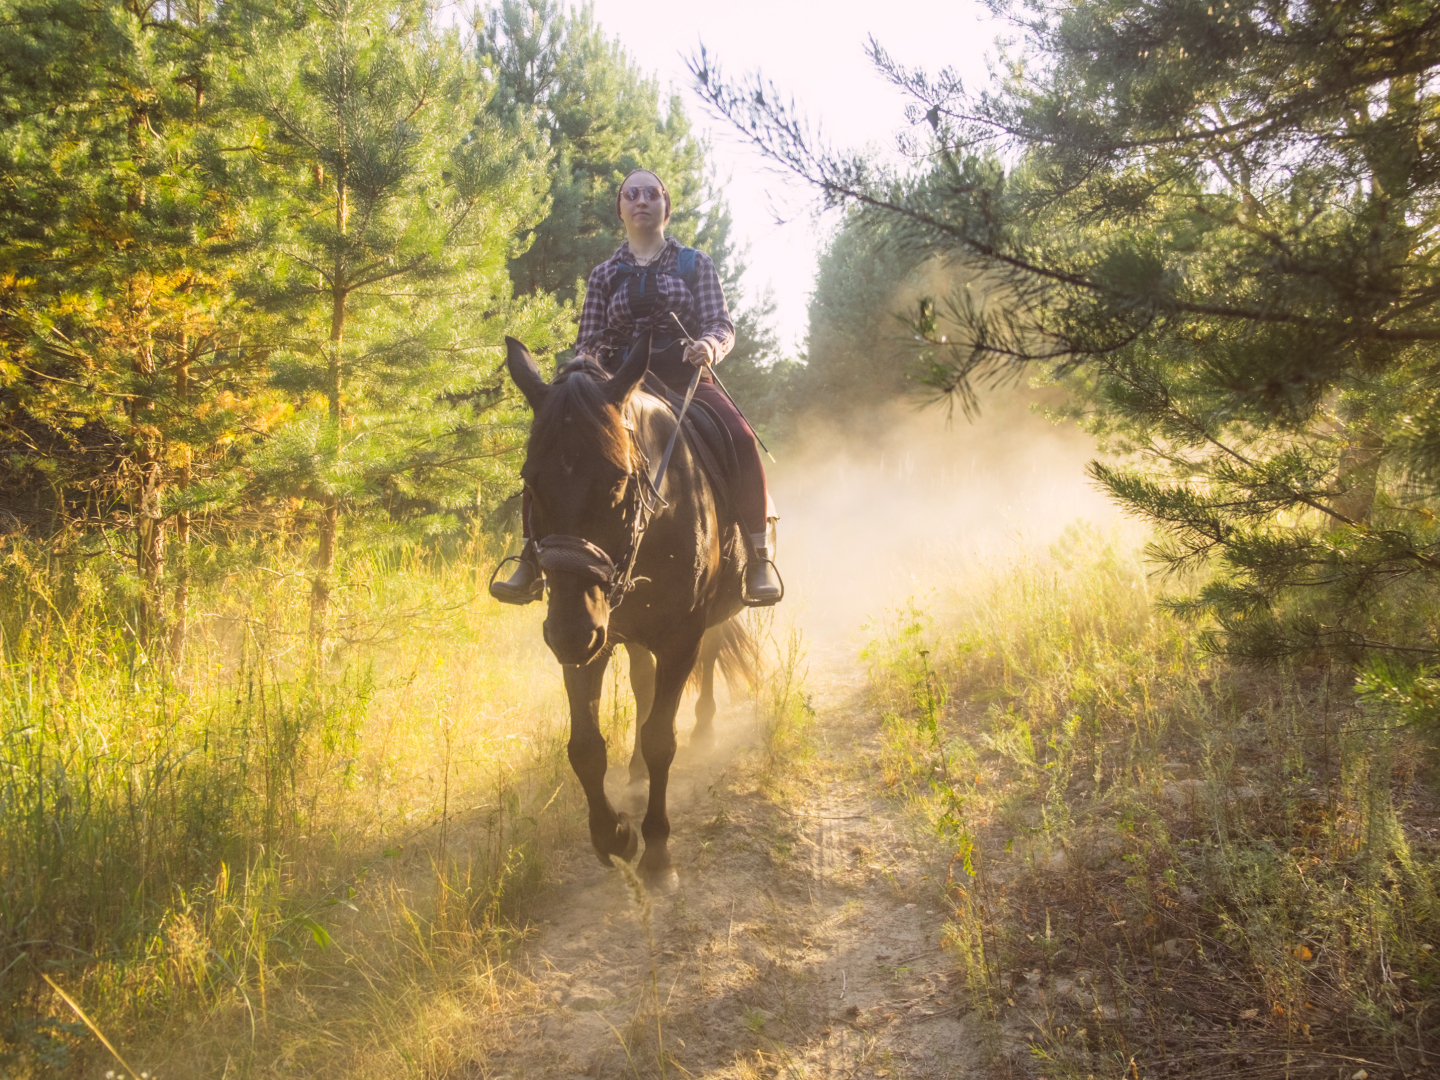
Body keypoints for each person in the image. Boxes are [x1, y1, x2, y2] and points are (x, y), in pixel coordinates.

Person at [491, 168, 783, 607]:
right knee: (551, 449)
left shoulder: (695, 263)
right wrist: (591, 372)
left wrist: (708, 344)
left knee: (740, 439)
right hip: (618, 387)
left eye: (651, 193)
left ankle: (758, 557)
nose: (641, 200)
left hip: (685, 381)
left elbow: (721, 323)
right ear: (621, 209)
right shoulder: (604, 274)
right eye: (632, 195)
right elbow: (586, 340)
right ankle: (530, 558)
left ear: (666, 205)